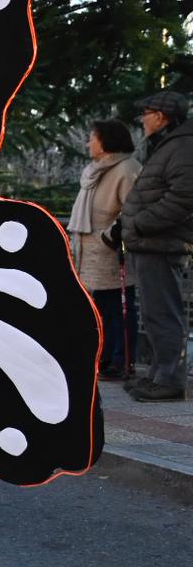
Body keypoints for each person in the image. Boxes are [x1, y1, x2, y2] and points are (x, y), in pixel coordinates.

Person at [117, 91, 193, 402]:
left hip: (160, 243)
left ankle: (170, 379)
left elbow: (184, 197)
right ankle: (158, 375)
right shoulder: (169, 145)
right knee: (153, 312)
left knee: (164, 314)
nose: (142, 121)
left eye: (145, 114)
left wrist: (139, 223)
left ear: (160, 116)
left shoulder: (182, 146)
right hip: (149, 244)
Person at [70, 120, 140, 380]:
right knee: (100, 309)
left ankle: (122, 361)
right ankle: (106, 357)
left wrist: (112, 234)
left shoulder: (126, 169)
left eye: (93, 137)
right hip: (90, 252)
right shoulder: (94, 170)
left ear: (107, 140)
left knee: (118, 308)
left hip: (112, 250)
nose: (88, 143)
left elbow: (133, 208)